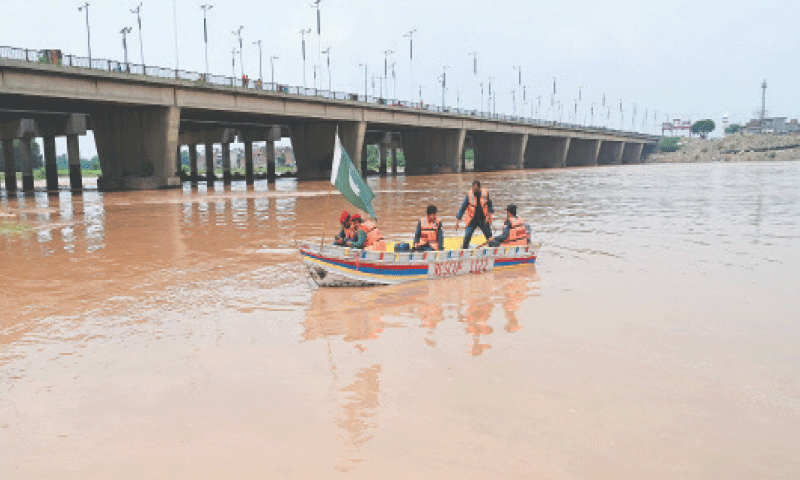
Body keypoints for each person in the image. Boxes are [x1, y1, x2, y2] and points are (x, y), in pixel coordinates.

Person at [455, 180, 494, 249]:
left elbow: (490, 205)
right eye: (473, 189)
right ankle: (464, 249)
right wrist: (457, 221)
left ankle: (492, 249)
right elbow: (463, 208)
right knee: (467, 235)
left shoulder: (485, 194)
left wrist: (488, 216)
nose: (474, 191)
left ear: (479, 188)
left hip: (483, 218)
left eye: (476, 189)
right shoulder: (469, 195)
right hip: (472, 219)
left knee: (489, 236)